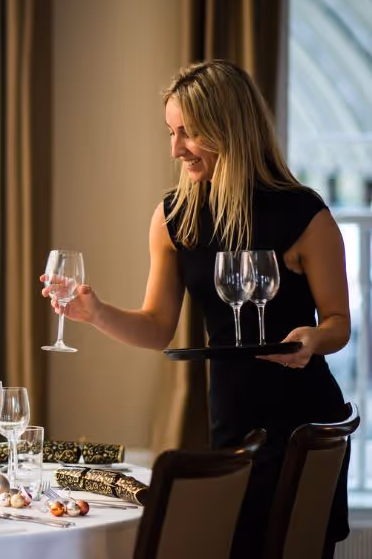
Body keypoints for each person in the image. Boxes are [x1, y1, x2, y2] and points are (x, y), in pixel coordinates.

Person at [43, 60, 351, 558]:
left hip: (303, 430)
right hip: (232, 428)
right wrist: (95, 312)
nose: (175, 147)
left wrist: (313, 340)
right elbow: (157, 327)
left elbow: (339, 323)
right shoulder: (173, 217)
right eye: (171, 131)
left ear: (228, 127)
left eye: (188, 132)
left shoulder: (304, 213)